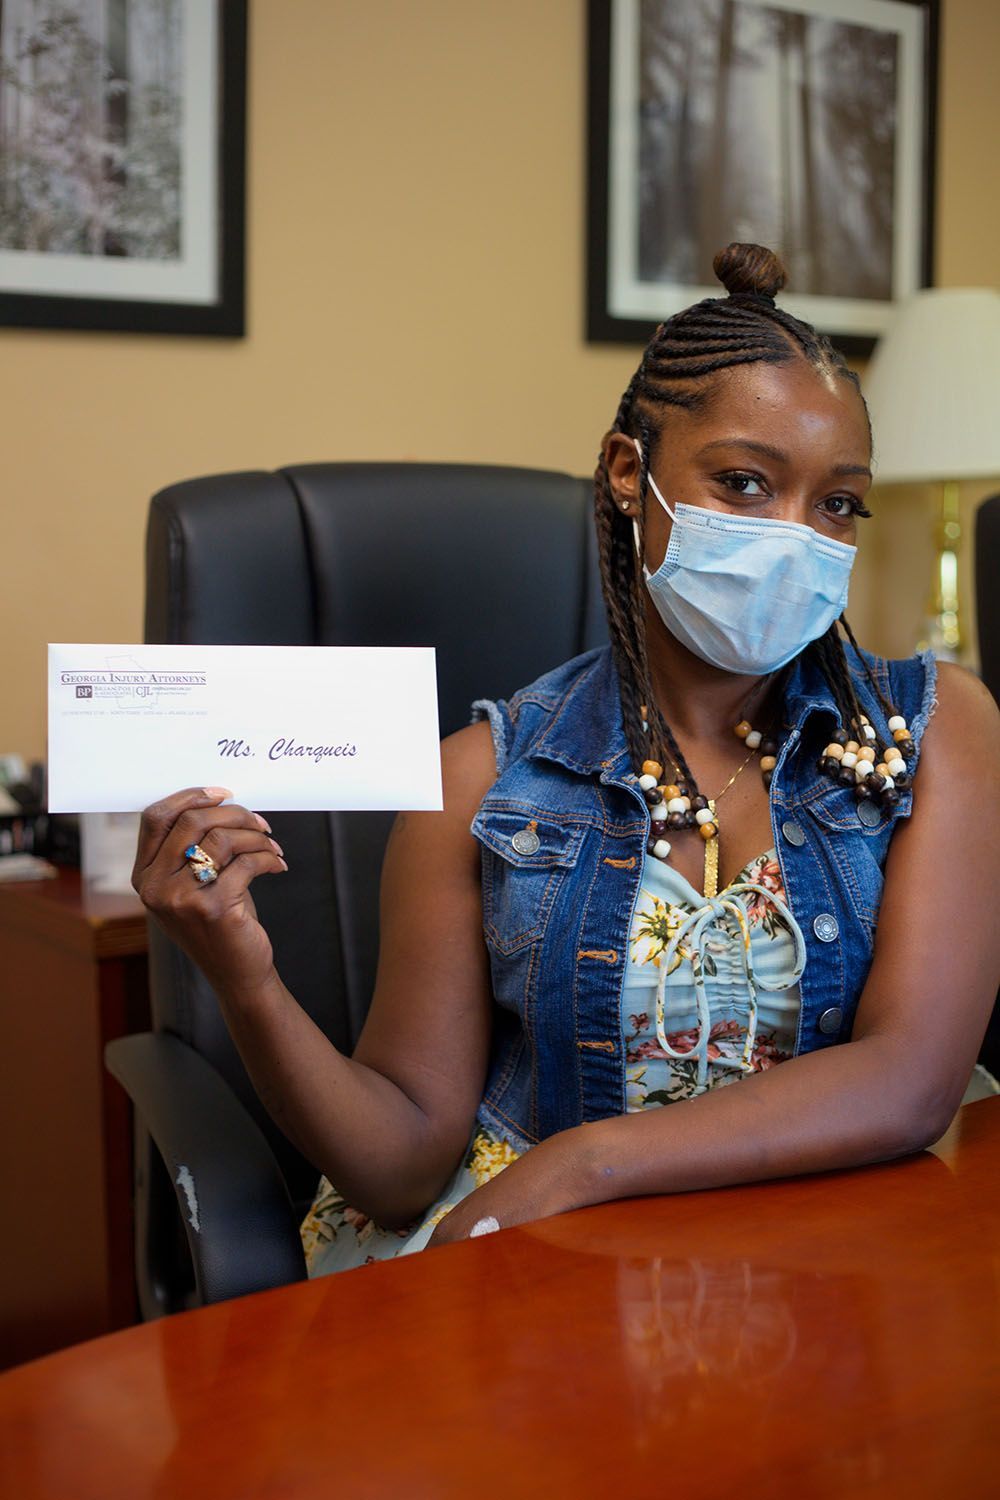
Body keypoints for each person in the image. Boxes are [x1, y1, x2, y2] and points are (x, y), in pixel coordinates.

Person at [134, 244, 1000, 1275]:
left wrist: (586, 1162)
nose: (794, 536)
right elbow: (398, 1169)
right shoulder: (477, 782)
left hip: (831, 1257)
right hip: (553, 1268)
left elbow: (911, 1080)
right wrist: (245, 977)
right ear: (631, 474)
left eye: (837, 503)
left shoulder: (936, 730)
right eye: (743, 483)